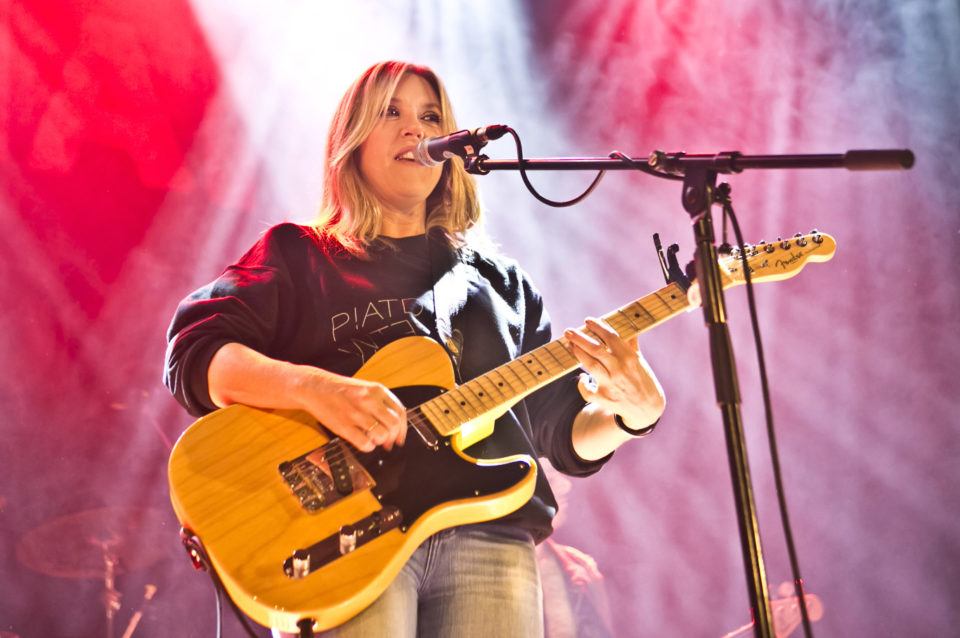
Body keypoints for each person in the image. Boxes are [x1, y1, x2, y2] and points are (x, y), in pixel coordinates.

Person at [164, 60, 665, 638]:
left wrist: (633, 414)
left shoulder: (501, 283)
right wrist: (315, 388)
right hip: (342, 537)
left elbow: (558, 430)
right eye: (391, 113)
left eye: (430, 117)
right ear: (351, 140)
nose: (415, 129)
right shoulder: (299, 255)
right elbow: (197, 351)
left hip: (491, 530)